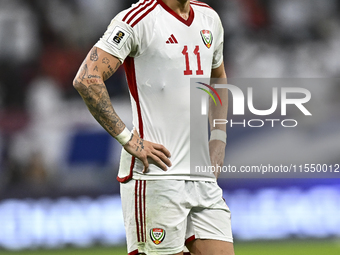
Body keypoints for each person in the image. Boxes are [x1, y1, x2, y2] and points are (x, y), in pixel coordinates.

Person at [73, 0, 234, 254]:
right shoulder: (137, 20)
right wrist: (128, 139)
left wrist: (218, 138)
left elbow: (218, 77)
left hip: (201, 177)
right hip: (157, 175)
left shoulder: (209, 18)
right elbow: (86, 78)